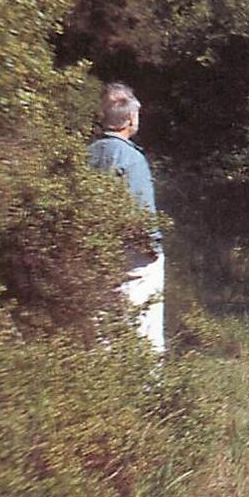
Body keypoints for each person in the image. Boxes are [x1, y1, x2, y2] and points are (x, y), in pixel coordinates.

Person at [88, 83, 165, 353]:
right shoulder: (132, 158)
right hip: (133, 255)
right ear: (130, 118)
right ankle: (147, 389)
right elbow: (140, 212)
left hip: (96, 252)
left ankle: (103, 385)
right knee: (145, 330)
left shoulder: (90, 153)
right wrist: (151, 251)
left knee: (103, 329)